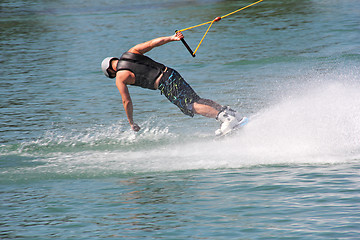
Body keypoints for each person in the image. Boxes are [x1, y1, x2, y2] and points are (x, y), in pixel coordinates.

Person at [101, 31, 246, 135]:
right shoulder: (132, 51)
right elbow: (153, 43)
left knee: (191, 105)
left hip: (165, 84)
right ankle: (231, 113)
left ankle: (226, 119)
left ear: (110, 71)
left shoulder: (120, 77)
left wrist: (131, 122)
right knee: (197, 100)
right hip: (170, 73)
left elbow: (126, 102)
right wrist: (172, 38)